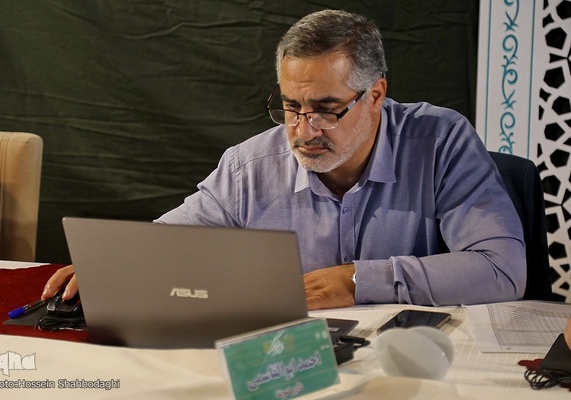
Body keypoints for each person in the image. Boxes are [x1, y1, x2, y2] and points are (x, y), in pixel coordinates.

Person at [42, 9, 526, 310]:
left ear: (376, 95)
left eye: (326, 109)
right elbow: (169, 241)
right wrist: (117, 262)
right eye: (291, 107)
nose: (303, 131)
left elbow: (502, 270)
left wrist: (358, 280)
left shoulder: (441, 141)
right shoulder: (249, 167)